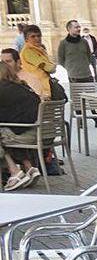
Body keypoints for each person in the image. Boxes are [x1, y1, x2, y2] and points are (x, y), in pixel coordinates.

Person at [0, 62, 43, 190]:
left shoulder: (2, 89)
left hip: (23, 135)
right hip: (37, 132)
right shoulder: (23, 87)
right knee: (6, 131)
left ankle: (14, 170)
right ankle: (29, 167)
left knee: (3, 137)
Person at [18, 24, 55, 100]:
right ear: (26, 39)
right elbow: (48, 67)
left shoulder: (39, 49)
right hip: (37, 88)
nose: (37, 38)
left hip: (44, 86)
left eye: (39, 36)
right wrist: (53, 66)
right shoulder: (28, 51)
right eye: (33, 36)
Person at [58, 19, 96, 84]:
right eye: (76, 27)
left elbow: (89, 56)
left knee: (91, 93)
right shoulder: (63, 43)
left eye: (79, 27)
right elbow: (61, 59)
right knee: (76, 93)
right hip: (73, 76)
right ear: (69, 29)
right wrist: (70, 68)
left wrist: (85, 65)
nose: (79, 29)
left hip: (87, 75)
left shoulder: (84, 42)